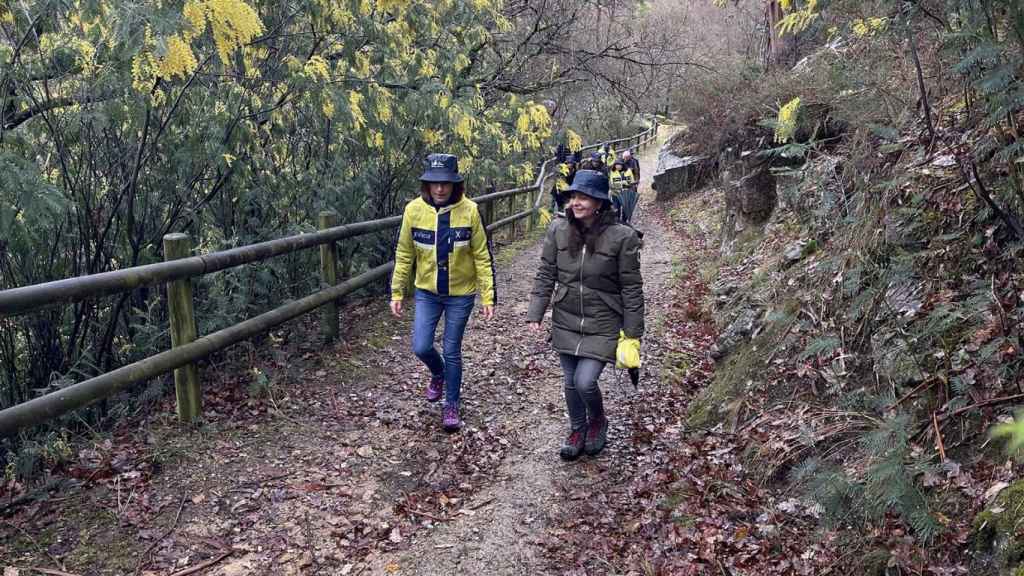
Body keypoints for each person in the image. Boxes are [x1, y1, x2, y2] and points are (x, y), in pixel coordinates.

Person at [526, 170, 644, 460]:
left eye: (584, 198)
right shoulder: (558, 230)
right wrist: (535, 313)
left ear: (600, 203)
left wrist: (632, 333)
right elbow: (546, 273)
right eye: (574, 196)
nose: (576, 203)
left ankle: (598, 421)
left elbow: (631, 287)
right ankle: (577, 428)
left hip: (603, 320)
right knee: (569, 381)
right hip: (566, 316)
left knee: (584, 381)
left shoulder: (622, 237)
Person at [391, 153, 497, 432]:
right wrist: (397, 291)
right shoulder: (413, 210)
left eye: (446, 183)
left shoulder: (470, 210)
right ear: (426, 184)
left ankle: (451, 402)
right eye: (434, 183)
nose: (440, 188)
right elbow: (404, 254)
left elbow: (482, 256)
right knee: (421, 346)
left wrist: (488, 295)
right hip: (426, 291)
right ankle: (438, 373)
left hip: (460, 294)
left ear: (455, 184)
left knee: (451, 349)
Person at [609, 158, 638, 224]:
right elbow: (611, 184)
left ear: (623, 165)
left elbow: (632, 182)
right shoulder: (612, 172)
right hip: (616, 194)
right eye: (616, 165)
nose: (618, 166)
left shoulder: (628, 171)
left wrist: (629, 186)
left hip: (626, 193)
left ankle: (624, 222)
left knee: (625, 209)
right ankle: (617, 222)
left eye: (619, 165)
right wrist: (618, 186)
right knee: (617, 209)